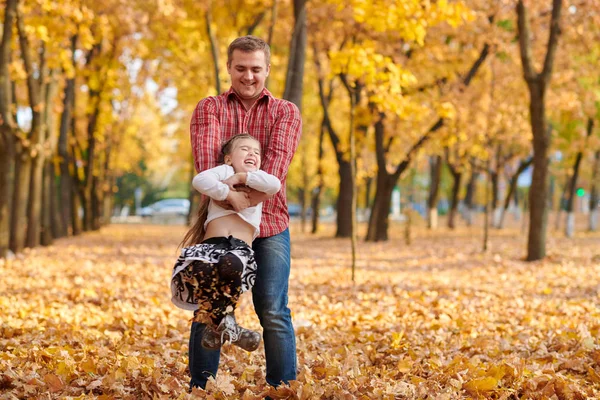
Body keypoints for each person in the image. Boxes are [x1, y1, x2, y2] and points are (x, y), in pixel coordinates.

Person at [188, 35, 302, 390]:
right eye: (241, 68)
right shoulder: (210, 109)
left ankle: (282, 389)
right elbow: (207, 164)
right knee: (210, 308)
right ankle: (202, 388)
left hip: (269, 225)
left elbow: (276, 170)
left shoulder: (285, 112)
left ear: (267, 69)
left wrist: (243, 195)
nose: (248, 76)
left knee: (272, 308)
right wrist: (232, 198)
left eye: (256, 69)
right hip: (222, 227)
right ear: (229, 68)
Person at [171, 133, 281, 353]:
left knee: (230, 265)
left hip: (239, 249)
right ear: (229, 158)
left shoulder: (258, 177)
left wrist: (241, 179)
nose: (252, 154)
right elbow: (200, 180)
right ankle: (227, 325)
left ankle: (220, 326)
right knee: (200, 268)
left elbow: (275, 185)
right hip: (212, 245)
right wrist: (228, 194)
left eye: (256, 152)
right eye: (245, 149)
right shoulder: (224, 171)